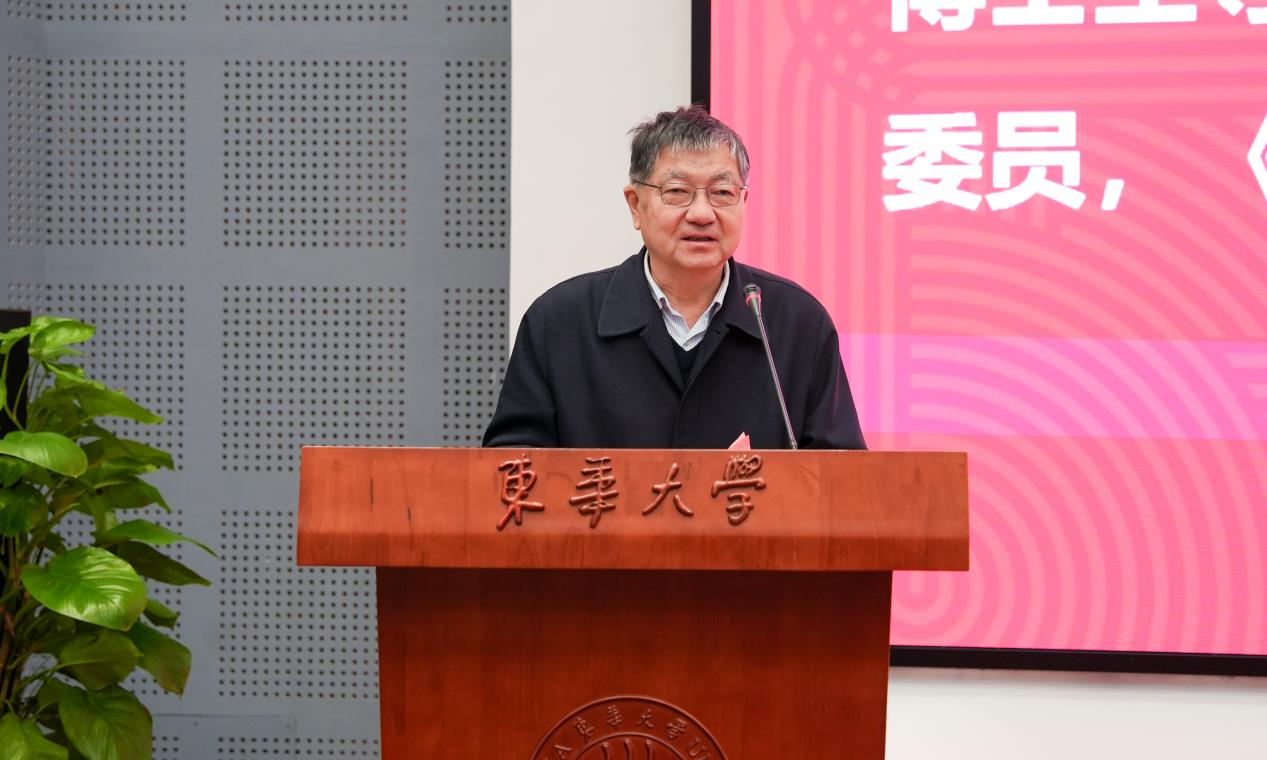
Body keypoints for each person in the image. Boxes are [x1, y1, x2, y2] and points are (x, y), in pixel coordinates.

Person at [483, 106, 865, 450]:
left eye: (722, 192)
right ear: (636, 205)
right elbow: (510, 472)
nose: (702, 213)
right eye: (677, 191)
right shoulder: (559, 323)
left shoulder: (797, 324)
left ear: (743, 202)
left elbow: (842, 483)